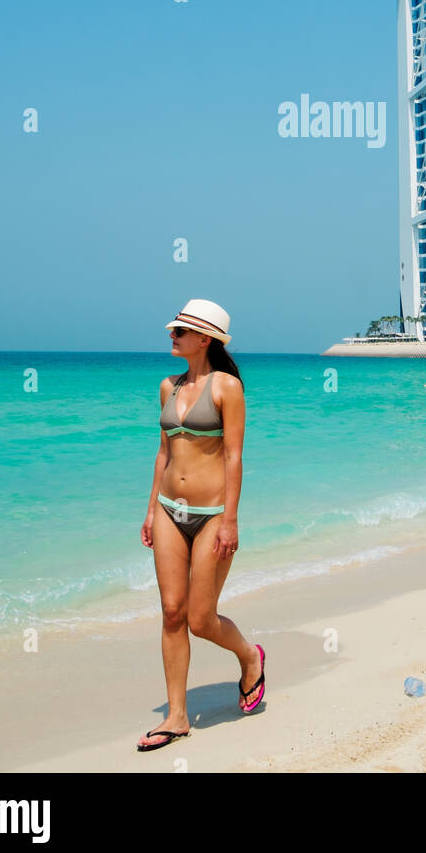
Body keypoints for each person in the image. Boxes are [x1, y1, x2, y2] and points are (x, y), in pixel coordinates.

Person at [136, 298, 265, 751]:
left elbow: (234, 456)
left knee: (200, 619)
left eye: (179, 332)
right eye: (173, 331)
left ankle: (250, 657)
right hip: (171, 509)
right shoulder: (166, 386)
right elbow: (164, 454)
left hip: (212, 516)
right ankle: (176, 716)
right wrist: (152, 509)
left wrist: (230, 520)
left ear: (204, 338)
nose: (171, 337)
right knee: (172, 613)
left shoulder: (227, 387)